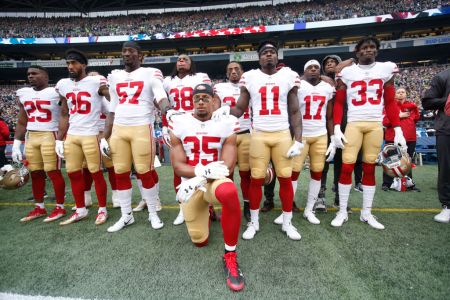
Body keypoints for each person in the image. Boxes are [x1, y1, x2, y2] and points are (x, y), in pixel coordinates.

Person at [214, 40, 304, 240]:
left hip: (281, 133)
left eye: (272, 52)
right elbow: (239, 109)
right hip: (259, 134)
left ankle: (287, 222)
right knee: (256, 179)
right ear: (259, 57)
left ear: (277, 56)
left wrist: (298, 139)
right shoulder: (250, 77)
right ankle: (253, 222)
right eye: (265, 53)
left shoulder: (288, 76)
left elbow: (295, 111)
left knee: (285, 178)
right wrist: (224, 111)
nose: (269, 55)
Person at [170, 83, 244, 291]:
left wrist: (200, 176)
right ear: (191, 102)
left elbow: (228, 167)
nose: (200, 101)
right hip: (193, 185)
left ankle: (230, 255)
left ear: (214, 100)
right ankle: (207, 210)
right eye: (196, 98)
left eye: (205, 97)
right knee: (199, 241)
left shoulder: (227, 123)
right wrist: (199, 174)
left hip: (214, 182)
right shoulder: (179, 123)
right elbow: (177, 165)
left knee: (229, 191)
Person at [331, 37, 407, 229]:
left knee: (370, 168)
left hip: (375, 124)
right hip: (354, 124)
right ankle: (342, 211)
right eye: (365, 48)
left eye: (373, 47)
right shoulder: (346, 72)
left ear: (377, 51)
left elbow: (390, 102)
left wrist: (397, 128)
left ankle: (367, 212)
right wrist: (337, 128)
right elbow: (339, 102)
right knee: (347, 167)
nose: (369, 50)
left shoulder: (386, 68)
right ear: (357, 52)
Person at [102, 41, 169, 232]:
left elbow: (160, 95)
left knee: (144, 171)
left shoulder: (150, 72)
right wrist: (104, 137)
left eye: (131, 51)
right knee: (120, 171)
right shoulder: (115, 76)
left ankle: (153, 214)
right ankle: (126, 215)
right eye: (124, 51)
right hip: (119, 129)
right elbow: (113, 108)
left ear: (141, 56)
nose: (126, 54)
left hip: (141, 127)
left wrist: (168, 111)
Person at [273, 60, 335, 225]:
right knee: (292, 174)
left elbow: (329, 116)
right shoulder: (298, 87)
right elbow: (291, 113)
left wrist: (333, 138)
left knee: (317, 173)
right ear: (304, 71)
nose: (313, 69)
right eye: (309, 67)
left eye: (316, 67)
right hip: (302, 136)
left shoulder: (328, 88)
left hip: (320, 135)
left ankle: (309, 209)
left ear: (320, 71)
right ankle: (287, 210)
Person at [55, 49, 110, 226]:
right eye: (68, 63)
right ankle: (80, 210)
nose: (70, 66)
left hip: (91, 134)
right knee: (72, 173)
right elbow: (64, 113)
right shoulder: (63, 84)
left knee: (96, 173)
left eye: (74, 63)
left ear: (83, 65)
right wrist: (59, 138)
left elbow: (110, 100)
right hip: (72, 135)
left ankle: (102, 209)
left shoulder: (96, 81)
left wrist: (105, 135)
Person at [12, 66, 67, 223]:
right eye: (29, 74)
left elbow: (64, 114)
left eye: (35, 74)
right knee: (35, 172)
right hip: (31, 136)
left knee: (53, 171)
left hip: (50, 134)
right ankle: (39, 207)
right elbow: (22, 120)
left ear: (45, 76)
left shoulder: (55, 92)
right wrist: (16, 143)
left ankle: (60, 207)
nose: (31, 76)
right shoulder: (24, 93)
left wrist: (60, 138)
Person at [162, 54, 211, 225]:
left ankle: (207, 205)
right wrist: (164, 121)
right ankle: (183, 208)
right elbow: (160, 101)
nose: (181, 61)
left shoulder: (200, 77)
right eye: (179, 59)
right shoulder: (167, 80)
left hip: (195, 125)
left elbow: (208, 98)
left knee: (201, 163)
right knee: (179, 168)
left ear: (192, 64)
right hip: (175, 126)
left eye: (185, 59)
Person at [318, 55, 363, 213]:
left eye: (333, 62)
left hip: (346, 125)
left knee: (342, 164)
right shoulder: (320, 79)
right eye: (327, 63)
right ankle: (320, 197)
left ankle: (339, 199)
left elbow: (356, 62)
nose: (330, 64)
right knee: (321, 165)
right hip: (324, 127)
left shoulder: (349, 77)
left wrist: (346, 63)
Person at [213, 61, 252, 222]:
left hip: (246, 133)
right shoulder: (219, 88)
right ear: (226, 73)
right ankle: (228, 206)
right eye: (230, 70)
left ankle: (248, 206)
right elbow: (214, 107)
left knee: (246, 174)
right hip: (226, 135)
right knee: (226, 174)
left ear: (242, 71)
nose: (233, 72)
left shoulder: (250, 84)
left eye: (237, 69)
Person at [421, 67, 450, 223]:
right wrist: (447, 100)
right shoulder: (443, 76)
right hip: (447, 129)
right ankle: (447, 206)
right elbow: (427, 102)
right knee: (446, 168)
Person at [382, 87, 420, 191]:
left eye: (403, 92)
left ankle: (408, 183)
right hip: (392, 137)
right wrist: (399, 116)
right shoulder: (389, 106)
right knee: (390, 161)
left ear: (406, 94)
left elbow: (416, 119)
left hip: (410, 137)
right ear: (394, 95)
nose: (400, 94)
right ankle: (386, 184)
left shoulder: (412, 106)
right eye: (398, 92)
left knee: (408, 161)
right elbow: (385, 122)